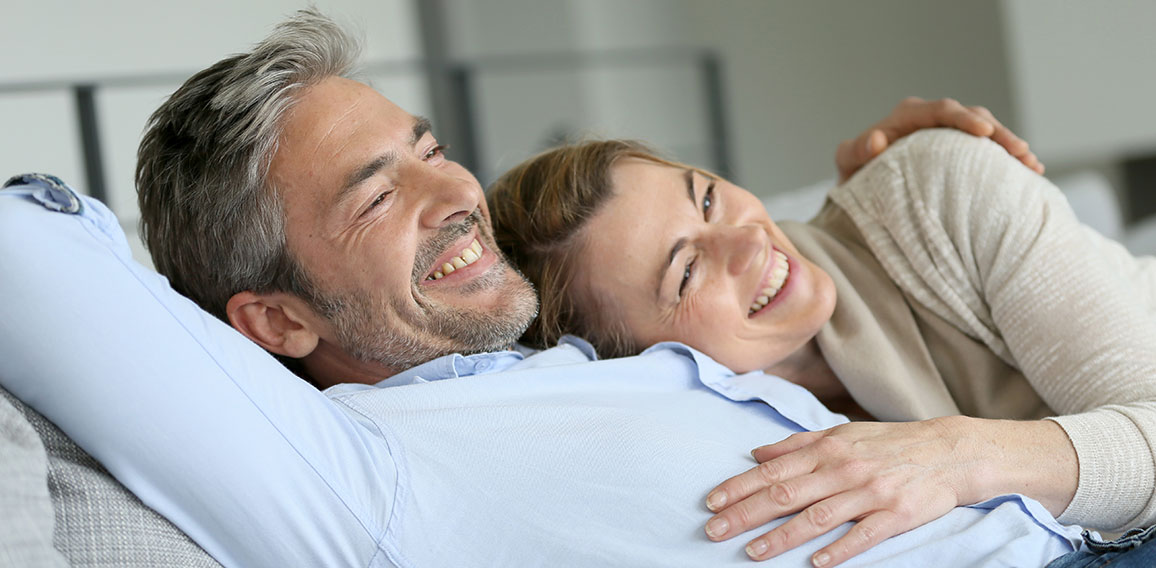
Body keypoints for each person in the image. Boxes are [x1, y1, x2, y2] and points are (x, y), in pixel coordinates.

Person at [0, 9, 1100, 568]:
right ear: (274, 321)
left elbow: (677, 242)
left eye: (430, 145)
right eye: (378, 197)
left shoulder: (544, 346)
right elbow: (25, 254)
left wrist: (876, 205)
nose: (454, 190)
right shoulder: (355, 474)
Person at [485, 128, 1156, 566]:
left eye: (709, 199)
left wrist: (957, 453)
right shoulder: (704, 440)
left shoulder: (936, 192)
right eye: (687, 271)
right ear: (637, 364)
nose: (750, 241)